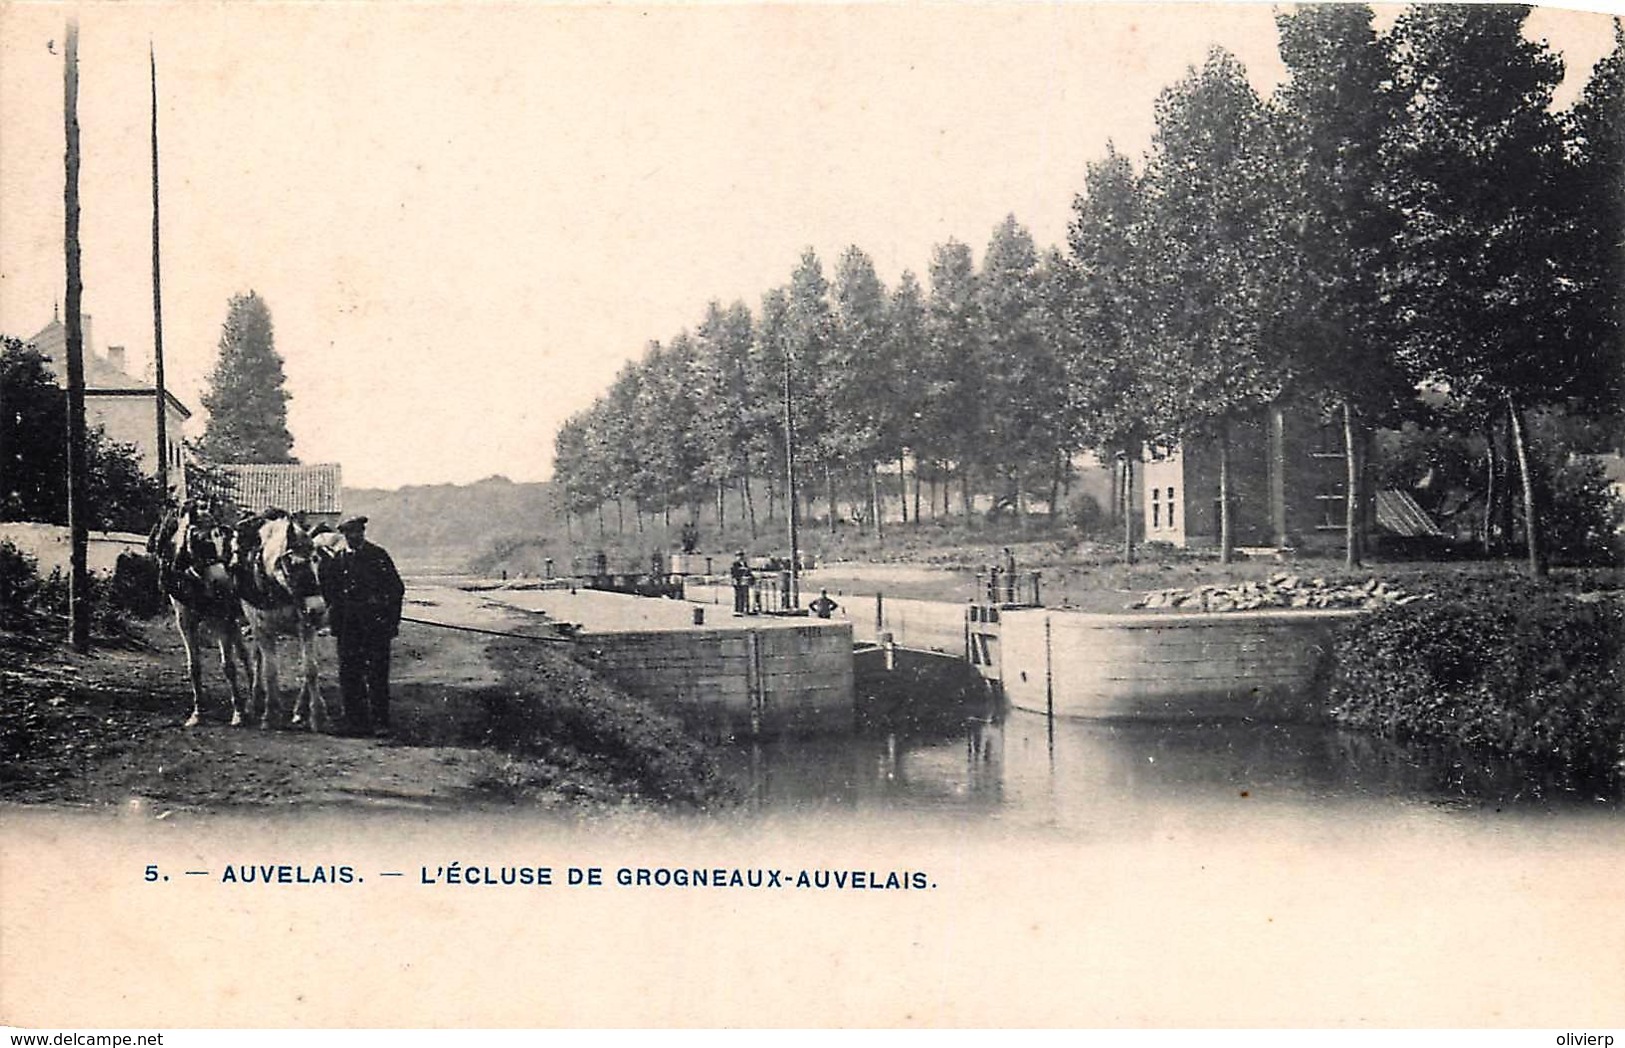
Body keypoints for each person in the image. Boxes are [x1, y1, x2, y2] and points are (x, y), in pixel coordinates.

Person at [327, 516, 405, 736]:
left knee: (377, 675)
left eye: (358, 533)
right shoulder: (339, 559)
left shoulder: (378, 556)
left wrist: (389, 619)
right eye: (349, 534)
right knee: (349, 674)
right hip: (348, 629)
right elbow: (330, 593)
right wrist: (336, 623)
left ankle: (381, 722)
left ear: (363, 533)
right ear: (344, 536)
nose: (354, 537)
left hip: (375, 627)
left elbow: (396, 589)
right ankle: (355, 722)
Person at [730, 550, 754, 616]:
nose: (740, 557)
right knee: (738, 596)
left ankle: (745, 609)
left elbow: (749, 572)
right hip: (738, 581)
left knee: (745, 595)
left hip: (745, 582)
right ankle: (738, 610)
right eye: (738, 556)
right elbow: (734, 572)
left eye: (741, 556)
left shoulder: (745, 563)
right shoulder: (735, 564)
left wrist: (750, 577)